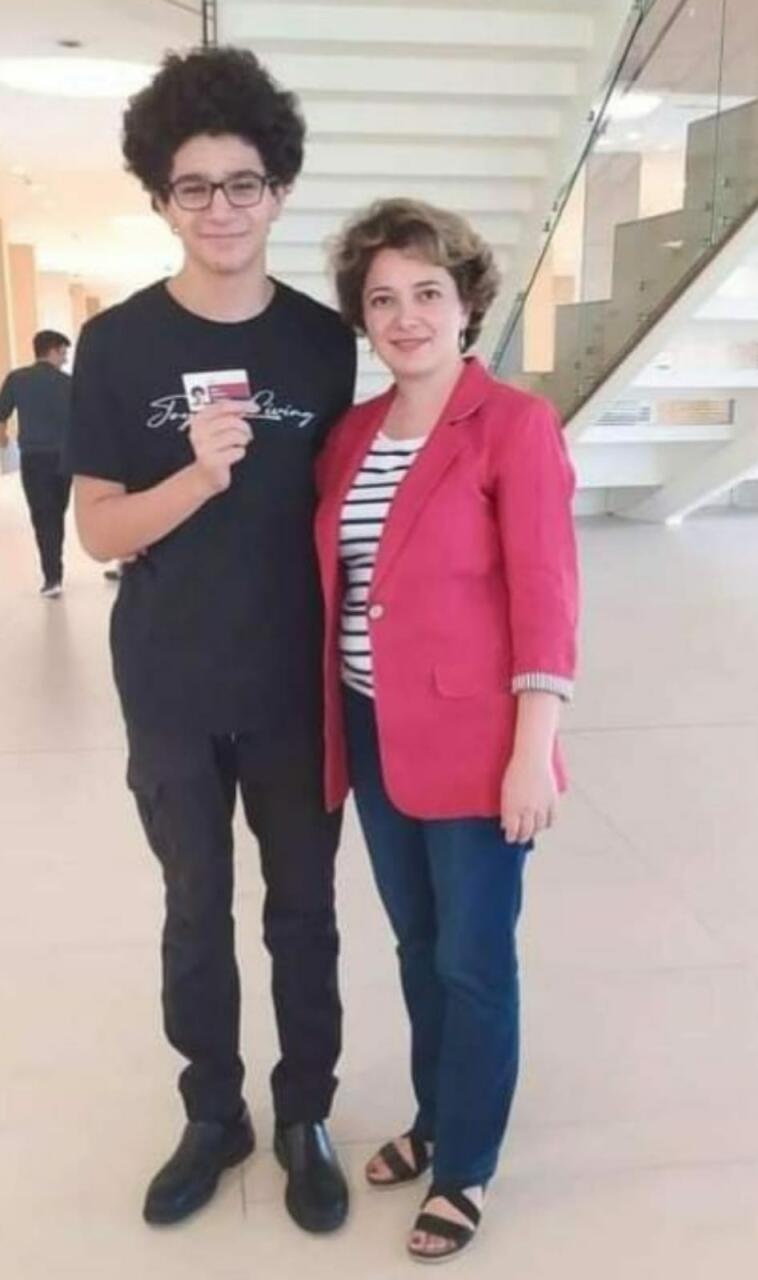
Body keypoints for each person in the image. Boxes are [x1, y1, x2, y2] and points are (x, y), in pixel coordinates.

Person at [65, 47, 356, 1234]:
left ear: (278, 189)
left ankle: (303, 1112)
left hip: (294, 680)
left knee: (303, 911)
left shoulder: (324, 343)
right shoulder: (118, 345)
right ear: (160, 198)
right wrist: (194, 476)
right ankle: (213, 1110)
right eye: (194, 186)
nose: (221, 208)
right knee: (195, 908)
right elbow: (95, 528)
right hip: (171, 681)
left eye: (243, 183)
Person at [315, 198, 579, 1262]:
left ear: (467, 303)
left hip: (477, 743)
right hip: (373, 728)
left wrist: (532, 748)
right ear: (362, 318)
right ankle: (433, 1113)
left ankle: (464, 1163)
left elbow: (546, 594)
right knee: (416, 944)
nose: (405, 316)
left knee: (473, 959)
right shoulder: (350, 435)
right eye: (382, 299)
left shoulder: (513, 424)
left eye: (427, 292)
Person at [0, 329, 72, 596]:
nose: (65, 358)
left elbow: (1, 413)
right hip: (64, 459)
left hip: (34, 458)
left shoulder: (17, 379)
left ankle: (52, 577)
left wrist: (3, 439)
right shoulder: (68, 383)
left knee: (43, 515)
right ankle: (55, 570)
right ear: (52, 350)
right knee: (57, 513)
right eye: (63, 353)